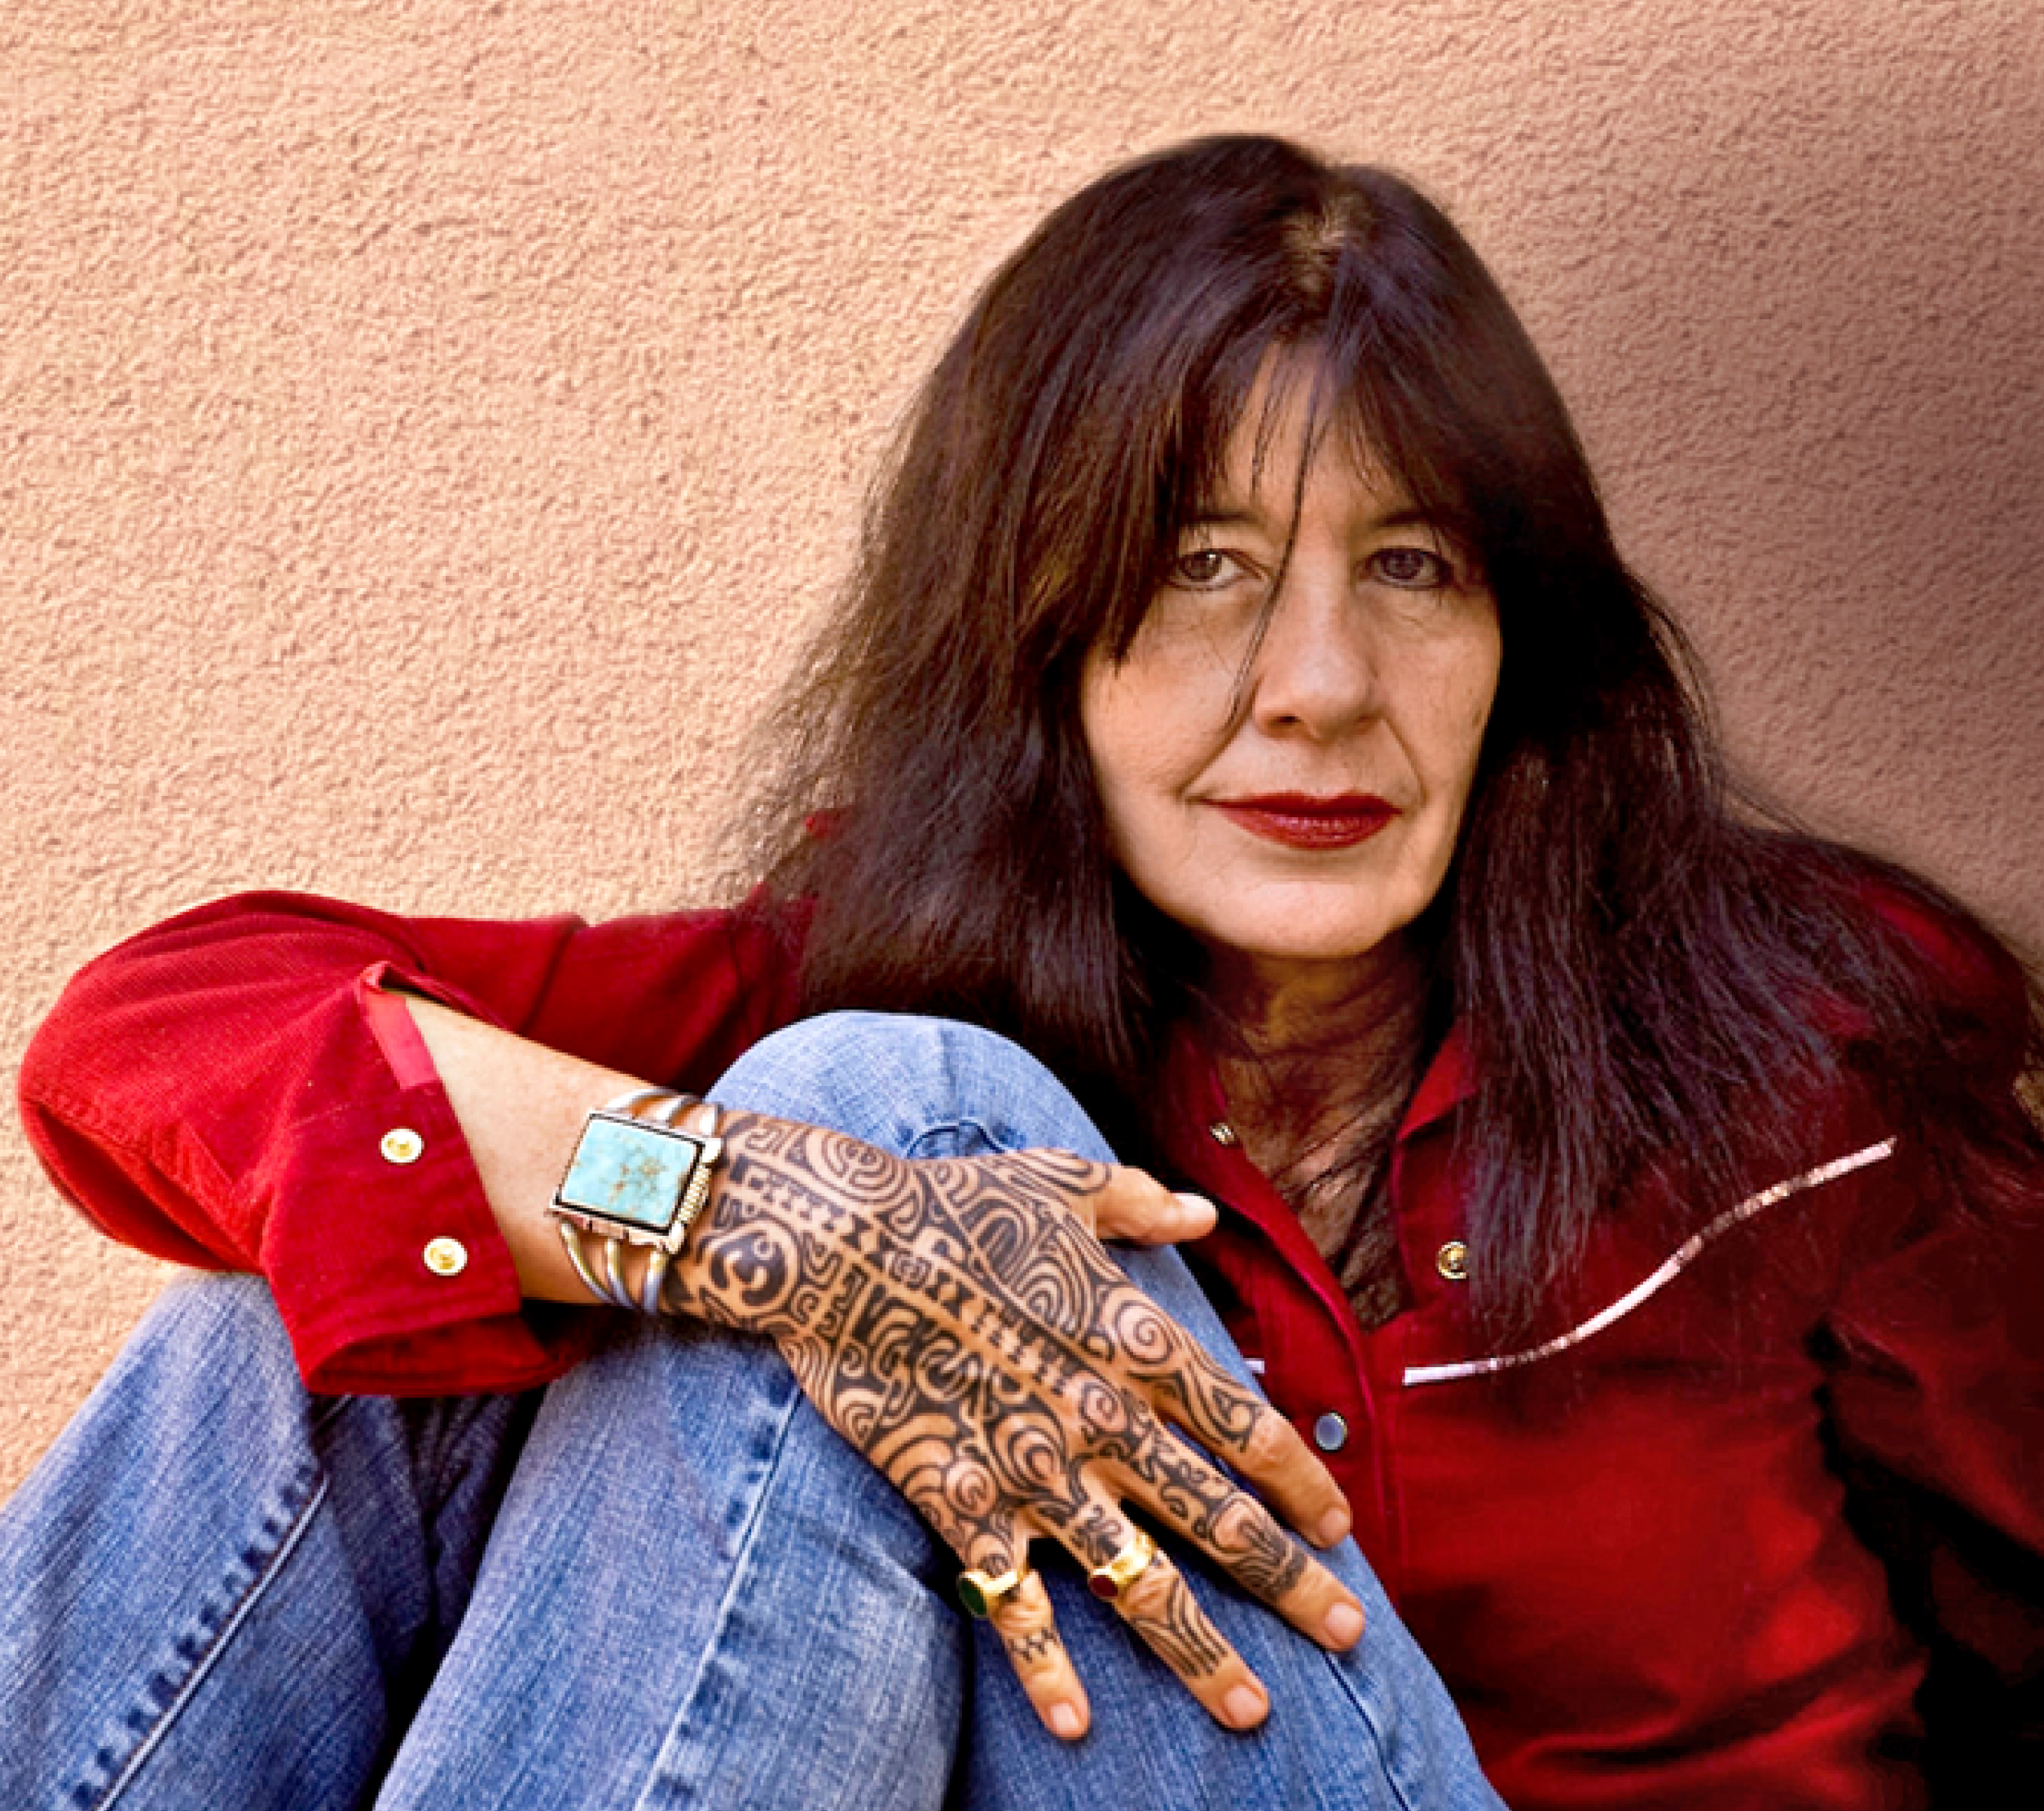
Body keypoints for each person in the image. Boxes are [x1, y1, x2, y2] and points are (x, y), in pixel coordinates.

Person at [7, 132, 2041, 1810]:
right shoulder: (860, 980)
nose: (1319, 689)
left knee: (889, 1109)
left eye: (1412, 567)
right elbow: (160, 1026)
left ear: (1523, 639)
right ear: (1038, 637)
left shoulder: (1800, 1052)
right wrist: (738, 1216)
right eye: (1201, 568)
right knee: (389, 1257)